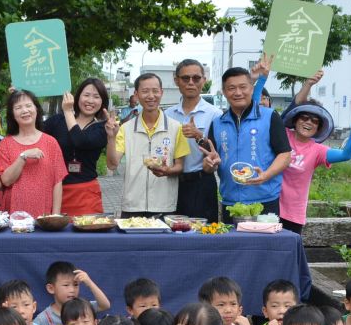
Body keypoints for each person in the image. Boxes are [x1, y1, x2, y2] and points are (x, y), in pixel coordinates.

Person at [202, 56, 292, 219]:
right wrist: (209, 164)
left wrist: (266, 174)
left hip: (265, 200)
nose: (237, 92)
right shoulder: (217, 123)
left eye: (243, 87)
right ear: (224, 92)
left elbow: (285, 155)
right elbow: (209, 165)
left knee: (264, 245)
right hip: (231, 202)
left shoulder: (270, 116)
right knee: (233, 245)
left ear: (252, 88)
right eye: (231, 88)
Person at [278, 73, 351, 234]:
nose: (308, 122)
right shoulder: (282, 135)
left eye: (314, 121)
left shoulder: (317, 150)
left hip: (293, 214)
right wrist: (308, 84)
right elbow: (294, 104)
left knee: (288, 255)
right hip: (271, 207)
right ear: (296, 120)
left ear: (318, 128)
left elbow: (346, 155)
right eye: (304, 117)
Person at [105, 72, 190, 217]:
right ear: (136, 95)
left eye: (155, 91)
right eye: (145, 91)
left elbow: (180, 166)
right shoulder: (126, 128)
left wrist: (167, 171)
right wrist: (111, 138)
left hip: (164, 205)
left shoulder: (176, 128)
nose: (151, 96)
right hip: (132, 206)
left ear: (161, 93)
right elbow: (112, 165)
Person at [43, 77, 110, 216]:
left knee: (86, 236)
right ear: (77, 96)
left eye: (96, 97)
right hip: (56, 192)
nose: (90, 101)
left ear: (102, 102)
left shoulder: (103, 128)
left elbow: (80, 141)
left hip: (86, 194)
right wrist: (19, 98)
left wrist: (68, 111)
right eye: (86, 95)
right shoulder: (58, 120)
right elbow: (32, 129)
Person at [0, 90, 67, 217]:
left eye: (28, 105)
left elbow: (58, 181)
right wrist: (23, 156)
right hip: (14, 215)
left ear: (36, 109)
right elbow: (6, 181)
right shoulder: (5, 144)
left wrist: (55, 215)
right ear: (12, 114)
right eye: (18, 107)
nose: (25, 110)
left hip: (44, 213)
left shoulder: (51, 142)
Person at [169, 59, 221, 222]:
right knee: (172, 233)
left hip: (202, 182)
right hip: (172, 182)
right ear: (176, 80)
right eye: (185, 78)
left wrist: (199, 135)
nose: (191, 82)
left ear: (204, 81)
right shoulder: (167, 115)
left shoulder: (215, 114)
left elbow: (219, 152)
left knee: (204, 235)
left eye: (196, 78)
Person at [33, 260, 111, 325]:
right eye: (66, 285)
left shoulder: (84, 308)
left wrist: (89, 282)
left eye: (76, 285)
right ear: (51, 288)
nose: (72, 290)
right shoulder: (42, 320)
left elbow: (105, 305)